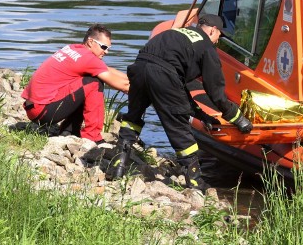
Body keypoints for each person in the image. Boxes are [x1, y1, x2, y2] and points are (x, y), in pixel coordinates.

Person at [105, 13, 253, 191]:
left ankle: (117, 167)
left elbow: (179, 88)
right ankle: (196, 182)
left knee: (133, 117)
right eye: (219, 37)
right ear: (213, 31)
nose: (217, 42)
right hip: (162, 75)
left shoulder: (174, 33)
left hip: (139, 69)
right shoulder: (206, 47)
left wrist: (200, 113)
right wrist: (237, 118)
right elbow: (216, 92)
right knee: (179, 127)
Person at [21, 24, 130, 144]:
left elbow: (106, 70)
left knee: (86, 80)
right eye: (103, 47)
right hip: (43, 112)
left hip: (33, 107)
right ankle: (92, 136)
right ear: (90, 42)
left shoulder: (74, 48)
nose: (106, 52)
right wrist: (142, 89)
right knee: (94, 82)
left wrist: (133, 79)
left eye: (108, 48)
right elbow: (123, 86)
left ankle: (68, 131)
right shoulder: (88, 59)